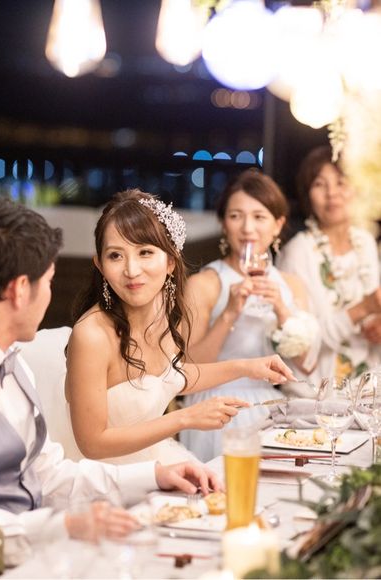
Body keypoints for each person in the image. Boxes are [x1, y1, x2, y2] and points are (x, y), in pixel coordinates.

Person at [0, 197, 225, 567]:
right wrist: (62, 528)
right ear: (20, 290)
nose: (50, 295)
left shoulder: (12, 366)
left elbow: (48, 475)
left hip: (30, 553)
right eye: (48, 282)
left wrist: (155, 475)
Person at [65, 188, 297, 466]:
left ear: (170, 262)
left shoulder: (159, 314)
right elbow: (92, 444)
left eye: (145, 252)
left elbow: (172, 376)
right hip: (106, 475)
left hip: (152, 462)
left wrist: (248, 367)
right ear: (100, 265)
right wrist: (185, 418)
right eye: (116, 256)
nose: (131, 270)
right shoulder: (91, 335)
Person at [181, 170, 320, 461]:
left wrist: (282, 310)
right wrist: (229, 313)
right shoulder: (204, 284)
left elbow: (307, 365)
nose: (247, 228)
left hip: (270, 409)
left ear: (278, 224)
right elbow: (188, 369)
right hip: (215, 407)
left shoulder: (291, 285)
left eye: (259, 217)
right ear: (223, 223)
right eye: (236, 216)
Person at [277, 145, 381, 383]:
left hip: (368, 389)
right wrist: (361, 309)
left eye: (340, 182)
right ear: (307, 195)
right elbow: (296, 344)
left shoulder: (365, 242)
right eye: (319, 184)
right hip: (315, 392)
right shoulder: (297, 252)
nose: (332, 193)